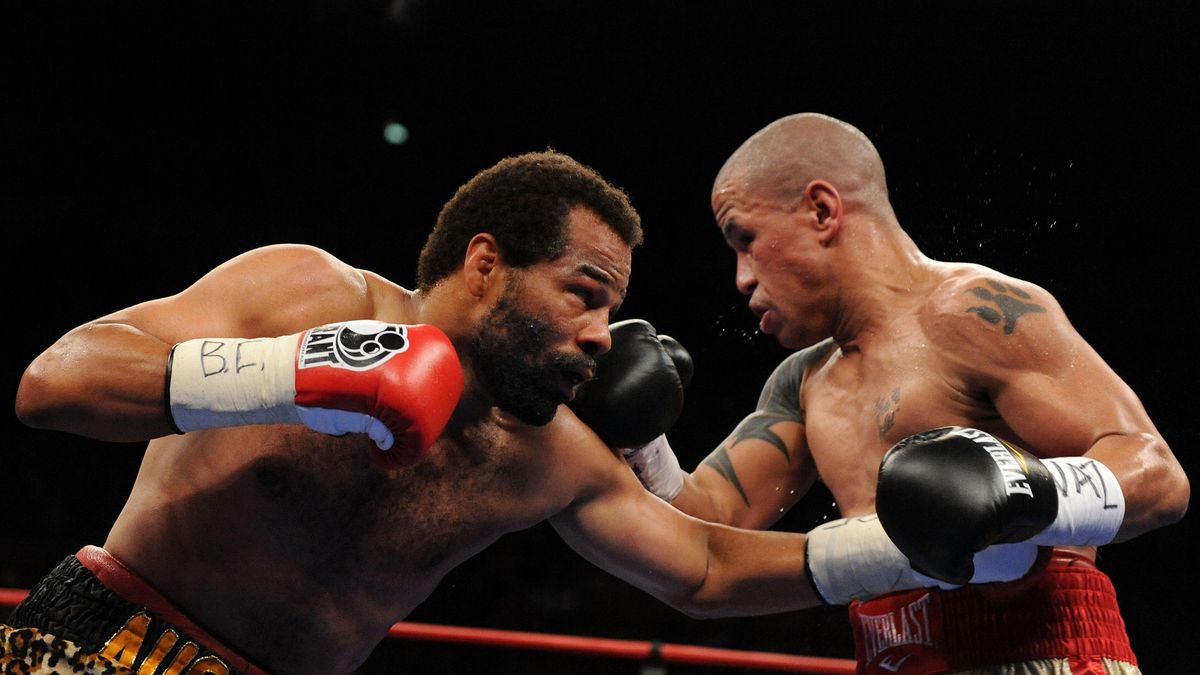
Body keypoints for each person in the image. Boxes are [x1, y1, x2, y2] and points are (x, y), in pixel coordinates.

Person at [4, 150, 1022, 675]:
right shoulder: (310, 298)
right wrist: (306, 372)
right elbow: (57, 380)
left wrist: (907, 545)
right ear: (485, 262)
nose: (600, 337)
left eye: (613, 311)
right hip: (102, 644)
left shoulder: (538, 455)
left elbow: (705, 569)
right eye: (583, 292)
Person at [605, 114, 1190, 674]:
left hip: (1044, 650)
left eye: (747, 239)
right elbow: (705, 520)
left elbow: (1159, 477)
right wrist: (640, 434)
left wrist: (1032, 493)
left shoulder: (977, 311)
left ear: (821, 209)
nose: (742, 277)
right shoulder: (804, 381)